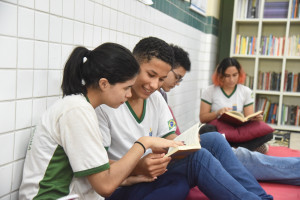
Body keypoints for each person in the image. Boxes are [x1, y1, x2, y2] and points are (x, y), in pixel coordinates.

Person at [96, 37, 273, 199]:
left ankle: (262, 197)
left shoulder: (155, 97)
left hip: (154, 169)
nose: (154, 85)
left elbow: (168, 137)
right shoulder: (107, 104)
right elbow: (100, 170)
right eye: (151, 75)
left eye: (161, 79)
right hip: (127, 181)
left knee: (213, 139)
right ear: (133, 65)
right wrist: (138, 165)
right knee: (199, 158)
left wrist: (185, 143)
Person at [18, 43, 190, 200]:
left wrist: (127, 178)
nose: (129, 95)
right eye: (126, 88)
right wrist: (144, 143)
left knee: (178, 184)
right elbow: (105, 186)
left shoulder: (81, 108)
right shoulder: (76, 111)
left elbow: (98, 170)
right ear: (104, 84)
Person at [199, 57, 271, 153]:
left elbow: (249, 117)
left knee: (268, 133)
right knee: (206, 129)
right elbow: (203, 118)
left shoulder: (246, 91)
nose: (231, 79)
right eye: (227, 76)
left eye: (234, 75)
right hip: (220, 130)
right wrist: (217, 113)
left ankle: (231, 149)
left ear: (239, 74)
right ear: (220, 75)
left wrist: (256, 119)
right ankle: (243, 149)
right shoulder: (210, 91)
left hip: (238, 130)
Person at [199, 124, 300, 186]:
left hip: (234, 133)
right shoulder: (211, 92)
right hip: (214, 141)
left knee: (266, 136)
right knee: (250, 158)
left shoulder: (244, 92)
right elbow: (204, 117)